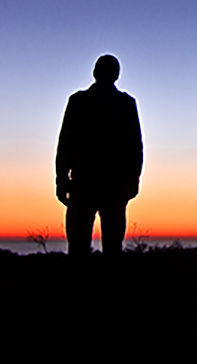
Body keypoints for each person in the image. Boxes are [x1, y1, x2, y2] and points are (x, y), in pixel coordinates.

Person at [55, 54, 143, 257]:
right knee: (99, 247)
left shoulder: (83, 101)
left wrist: (61, 179)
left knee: (87, 247)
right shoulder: (121, 103)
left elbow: (65, 144)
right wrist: (133, 180)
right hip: (96, 184)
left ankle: (93, 286)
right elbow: (135, 147)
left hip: (97, 184)